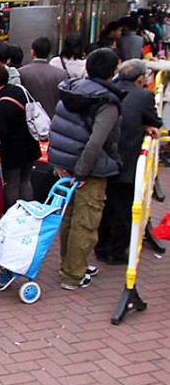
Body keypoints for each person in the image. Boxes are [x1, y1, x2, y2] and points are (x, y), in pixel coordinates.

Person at [48, 47, 124, 291]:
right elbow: (96, 141)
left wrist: (62, 165)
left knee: (70, 217)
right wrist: (82, 171)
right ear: (113, 72)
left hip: (65, 163)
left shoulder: (71, 90)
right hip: (87, 168)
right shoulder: (106, 102)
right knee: (86, 221)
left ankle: (69, 263)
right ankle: (73, 274)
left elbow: (59, 127)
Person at [97, 60, 161, 265]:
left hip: (104, 158)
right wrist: (146, 125)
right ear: (141, 79)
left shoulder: (109, 91)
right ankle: (116, 251)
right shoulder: (143, 96)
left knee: (105, 206)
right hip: (127, 160)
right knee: (124, 209)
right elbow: (156, 120)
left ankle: (101, 247)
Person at [0, 64, 41, 207]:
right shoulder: (19, 90)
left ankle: (12, 214)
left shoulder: (1, 105)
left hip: (12, 151)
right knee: (26, 181)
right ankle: (28, 213)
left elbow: (0, 132)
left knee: (12, 184)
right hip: (31, 144)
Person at [17, 37, 67, 118]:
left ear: (32, 52)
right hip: (52, 118)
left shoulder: (22, 72)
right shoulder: (61, 74)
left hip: (29, 119)